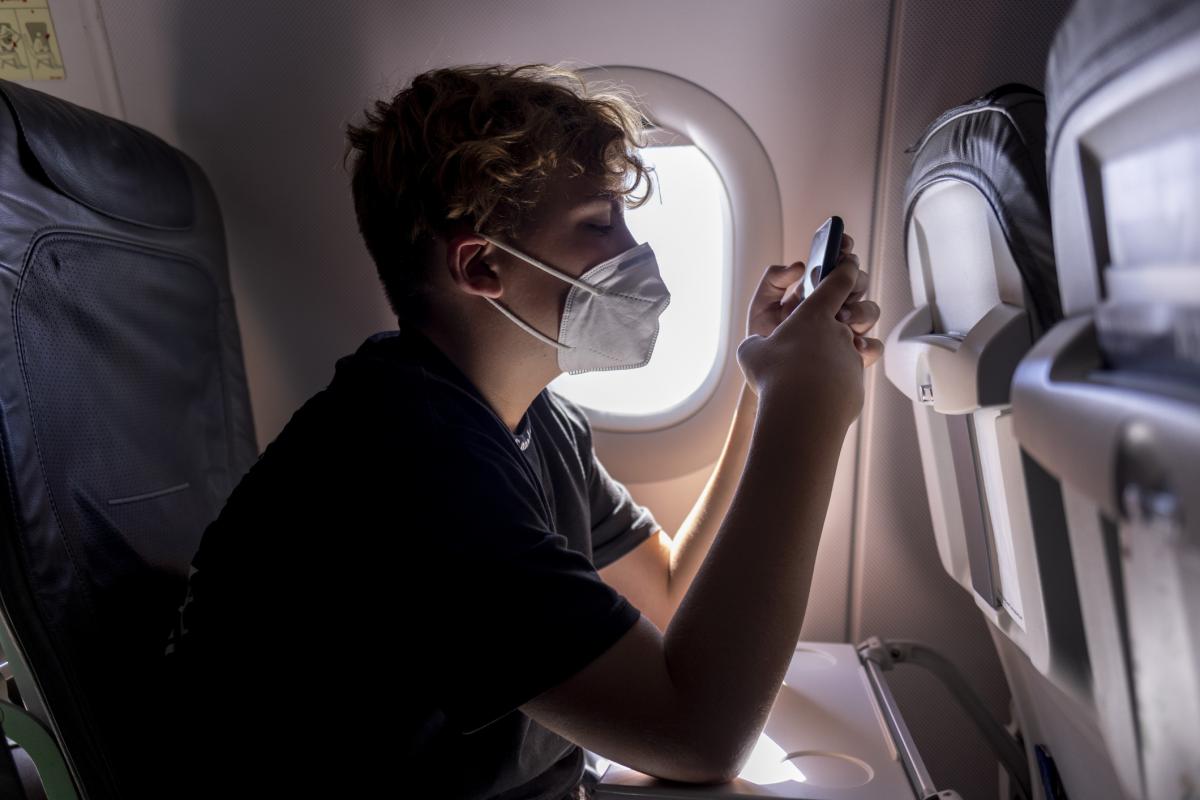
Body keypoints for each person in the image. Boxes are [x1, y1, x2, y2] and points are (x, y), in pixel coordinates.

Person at [156, 62, 882, 799]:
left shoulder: (532, 420)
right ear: (482, 266)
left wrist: (762, 398)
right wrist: (809, 412)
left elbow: (665, 592)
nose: (633, 252)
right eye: (598, 224)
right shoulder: (411, 459)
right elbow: (698, 736)